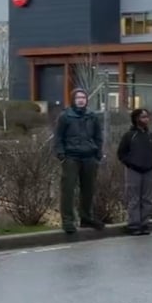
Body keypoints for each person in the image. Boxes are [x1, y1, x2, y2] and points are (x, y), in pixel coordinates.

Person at [54, 88, 104, 234]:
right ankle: (68, 221)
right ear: (73, 100)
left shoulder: (92, 116)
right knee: (68, 189)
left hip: (90, 156)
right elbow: (58, 137)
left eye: (83, 97)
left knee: (88, 189)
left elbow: (98, 136)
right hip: (71, 157)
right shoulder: (65, 116)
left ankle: (86, 218)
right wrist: (61, 154)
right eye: (78, 98)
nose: (81, 100)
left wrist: (98, 153)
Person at [117, 108, 152, 236]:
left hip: (149, 171)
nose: (146, 119)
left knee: (147, 199)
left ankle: (145, 223)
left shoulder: (151, 136)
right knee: (134, 199)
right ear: (136, 119)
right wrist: (130, 164)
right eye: (142, 117)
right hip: (133, 171)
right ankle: (134, 224)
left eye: (147, 117)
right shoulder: (129, 135)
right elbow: (121, 153)